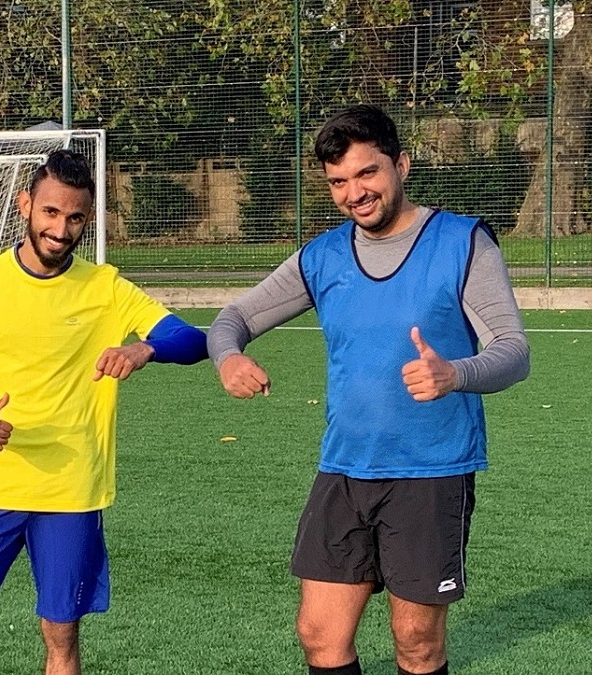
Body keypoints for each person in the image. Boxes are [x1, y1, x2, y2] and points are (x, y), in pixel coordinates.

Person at [207, 105, 530, 675]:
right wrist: (228, 357)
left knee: (416, 642)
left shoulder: (462, 242)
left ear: (401, 164)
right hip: (345, 470)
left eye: (367, 173)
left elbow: (513, 352)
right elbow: (233, 318)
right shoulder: (322, 256)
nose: (354, 192)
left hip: (430, 473)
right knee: (319, 634)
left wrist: (455, 373)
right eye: (338, 181)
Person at [0, 149, 207, 675]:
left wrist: (145, 349)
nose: (61, 228)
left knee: (62, 638)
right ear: (25, 204)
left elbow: (191, 340)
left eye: (75, 217)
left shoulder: (105, 288)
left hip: (72, 491)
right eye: (51, 213)